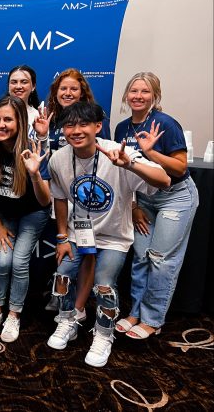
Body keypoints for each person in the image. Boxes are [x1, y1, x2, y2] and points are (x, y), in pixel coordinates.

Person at [46, 101, 170, 367]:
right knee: (62, 276)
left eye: (83, 124)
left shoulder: (116, 151)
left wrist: (130, 166)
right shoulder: (59, 158)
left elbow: (165, 180)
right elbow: (58, 197)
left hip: (114, 235)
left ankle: (104, 334)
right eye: (69, 125)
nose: (75, 131)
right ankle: (69, 319)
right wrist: (61, 237)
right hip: (79, 233)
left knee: (104, 284)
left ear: (98, 127)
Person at [114, 72, 199, 339]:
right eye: (134, 91)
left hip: (175, 196)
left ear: (155, 96)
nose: (138, 96)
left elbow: (181, 167)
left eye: (145, 92)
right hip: (145, 200)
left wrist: (151, 152)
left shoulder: (165, 123)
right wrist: (134, 205)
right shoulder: (122, 128)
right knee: (140, 257)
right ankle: (135, 312)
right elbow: (125, 172)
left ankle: (153, 319)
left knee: (161, 260)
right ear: (127, 95)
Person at [0, 96, 51, 343]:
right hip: (4, 215)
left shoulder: (32, 148)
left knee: (18, 262)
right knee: (3, 260)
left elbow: (44, 201)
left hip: (32, 213)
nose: (1, 124)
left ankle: (14, 313)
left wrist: (35, 174)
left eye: (8, 119)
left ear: (20, 122)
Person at [45, 68, 111, 320]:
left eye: (74, 88)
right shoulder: (48, 119)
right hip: (57, 193)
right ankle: (64, 299)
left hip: (87, 198)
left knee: (85, 253)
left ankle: (78, 308)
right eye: (63, 88)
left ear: (82, 91)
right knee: (63, 247)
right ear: (56, 92)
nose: (68, 92)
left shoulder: (93, 119)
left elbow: (110, 165)